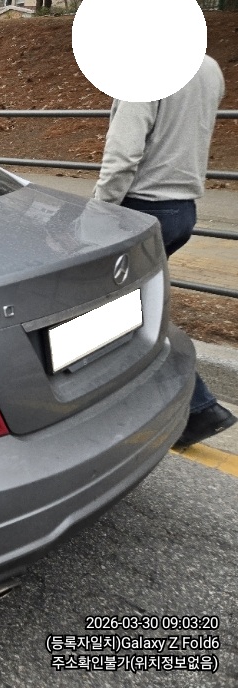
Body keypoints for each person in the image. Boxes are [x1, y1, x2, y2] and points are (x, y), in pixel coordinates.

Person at [94, 54, 236, 447]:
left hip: (139, 209)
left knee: (121, 315)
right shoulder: (208, 67)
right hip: (182, 208)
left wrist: (98, 214)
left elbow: (123, 156)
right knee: (133, 311)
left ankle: (198, 407)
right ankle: (187, 406)